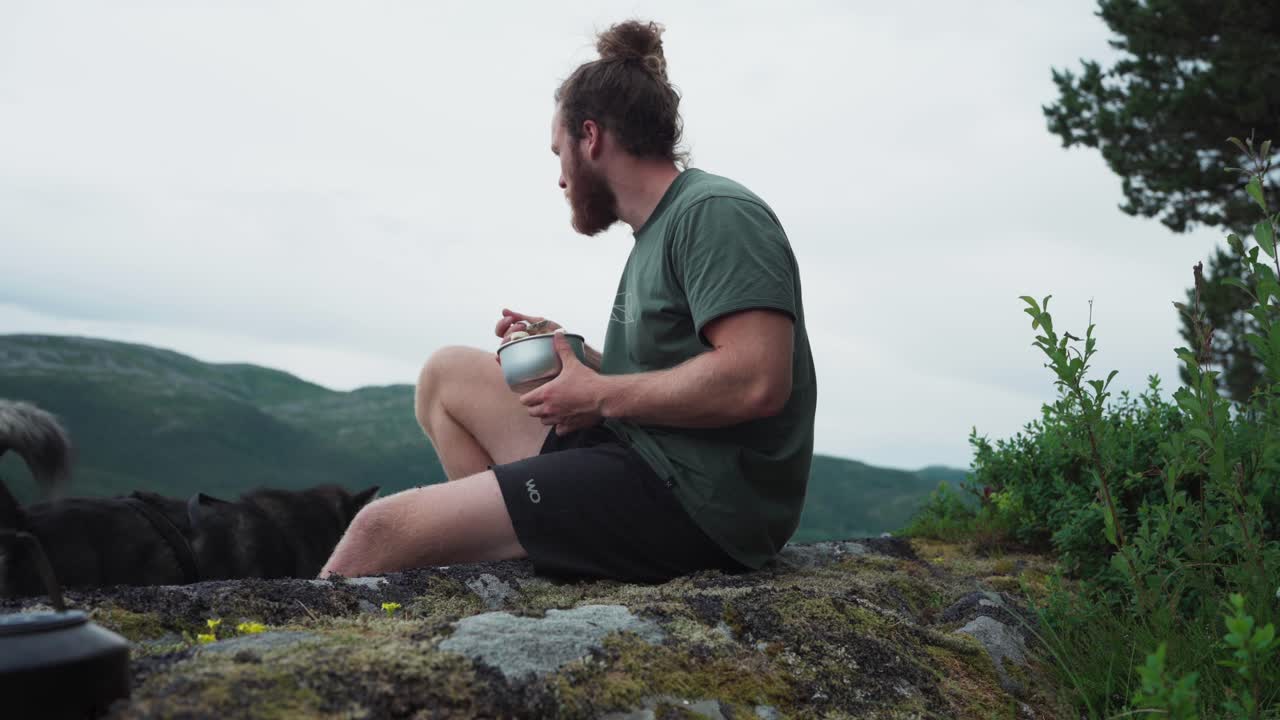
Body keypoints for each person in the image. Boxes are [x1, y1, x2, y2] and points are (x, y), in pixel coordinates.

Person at [319, 19, 816, 583]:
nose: (559, 178)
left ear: (591, 138)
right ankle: (511, 542)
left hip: (696, 501)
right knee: (445, 376)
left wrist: (598, 395)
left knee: (380, 528)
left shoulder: (715, 212)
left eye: (559, 153)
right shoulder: (659, 228)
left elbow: (756, 380)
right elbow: (677, 369)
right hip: (643, 453)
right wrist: (575, 359)